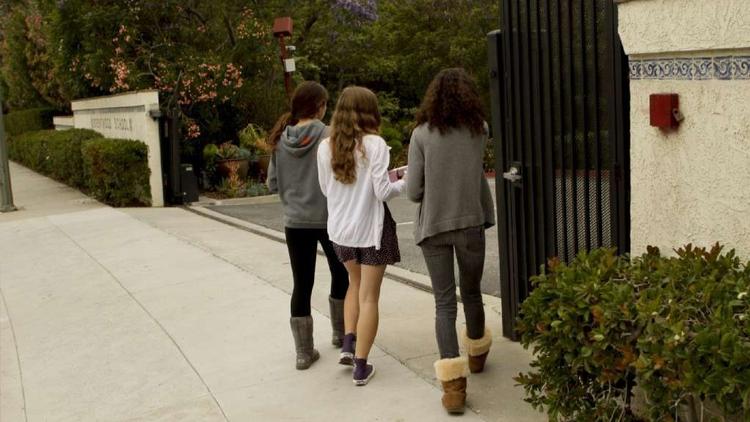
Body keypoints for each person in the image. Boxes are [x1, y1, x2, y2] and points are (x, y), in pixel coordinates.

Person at [406, 68, 496, 413]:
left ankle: (454, 388)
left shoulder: (421, 135)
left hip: (434, 228)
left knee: (444, 304)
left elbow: (413, 192)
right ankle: (477, 355)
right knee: (471, 292)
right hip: (471, 223)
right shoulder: (479, 130)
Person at [317, 86, 405, 386]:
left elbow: (326, 190)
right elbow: (382, 192)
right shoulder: (375, 144)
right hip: (371, 231)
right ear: (370, 111)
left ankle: (348, 342)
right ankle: (361, 365)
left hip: (340, 231)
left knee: (353, 285)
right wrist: (402, 181)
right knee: (370, 298)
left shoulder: (325, 147)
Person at [266, 81, 349, 370]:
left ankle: (304, 352)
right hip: (329, 219)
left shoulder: (280, 141)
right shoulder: (329, 136)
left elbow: (272, 183)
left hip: (295, 222)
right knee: (341, 273)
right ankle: (341, 334)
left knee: (302, 284)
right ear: (320, 106)